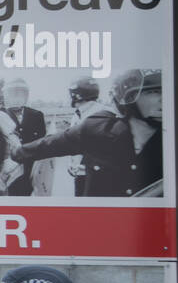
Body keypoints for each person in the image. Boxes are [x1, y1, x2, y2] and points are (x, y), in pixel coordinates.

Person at [13, 69, 163, 197]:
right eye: (153, 92)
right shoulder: (98, 128)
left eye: (164, 91)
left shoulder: (167, 144)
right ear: (129, 98)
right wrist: (18, 153)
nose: (163, 99)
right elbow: (54, 143)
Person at [1, 78, 47, 195]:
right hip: (6, 172)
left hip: (29, 171)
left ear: (26, 95)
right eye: (13, 93)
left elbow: (42, 145)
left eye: (20, 93)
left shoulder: (36, 115)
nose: (16, 97)